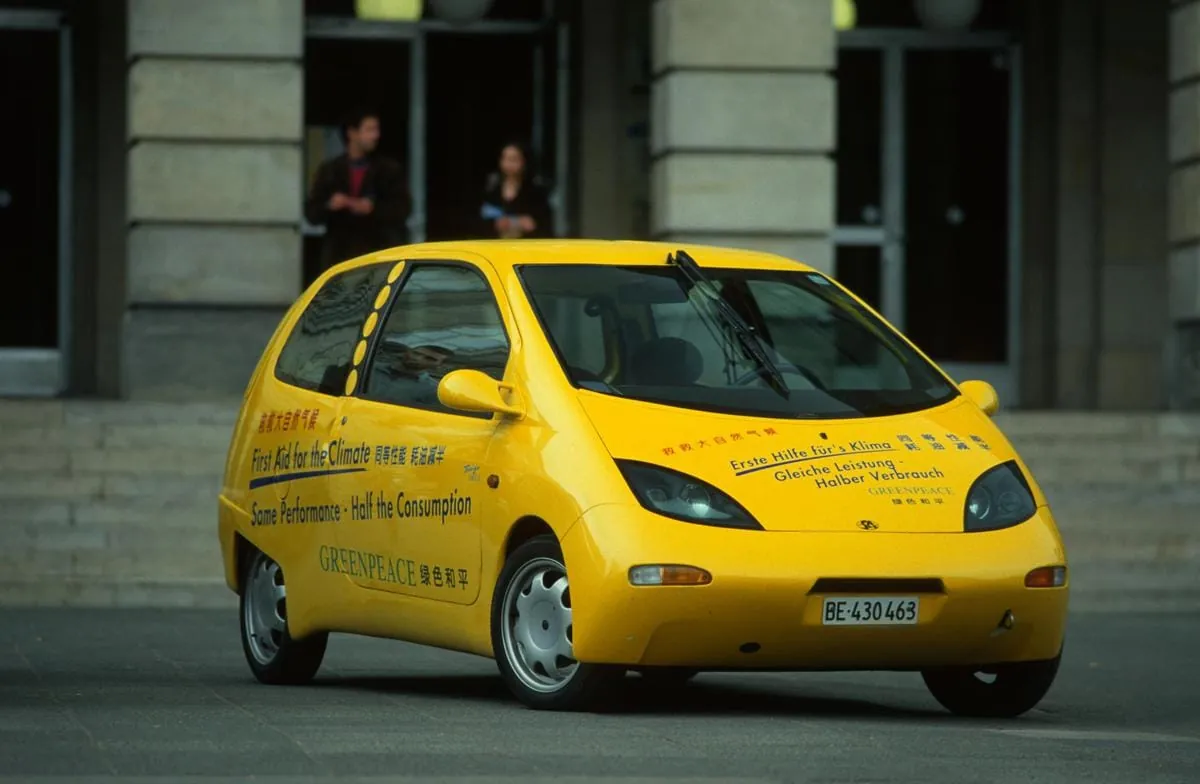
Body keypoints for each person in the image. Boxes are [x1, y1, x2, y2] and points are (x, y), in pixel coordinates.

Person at [305, 108, 411, 272]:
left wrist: (372, 208)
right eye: (369, 129)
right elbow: (311, 213)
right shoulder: (330, 170)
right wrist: (331, 206)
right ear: (352, 133)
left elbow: (403, 208)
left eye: (376, 129)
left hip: (378, 255)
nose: (375, 135)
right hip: (339, 258)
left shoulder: (388, 170)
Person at [480, 141, 554, 239]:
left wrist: (523, 222)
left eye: (514, 159)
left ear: (524, 161)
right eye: (505, 158)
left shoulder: (535, 191)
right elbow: (482, 218)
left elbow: (544, 223)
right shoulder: (491, 189)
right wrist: (496, 223)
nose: (509, 164)